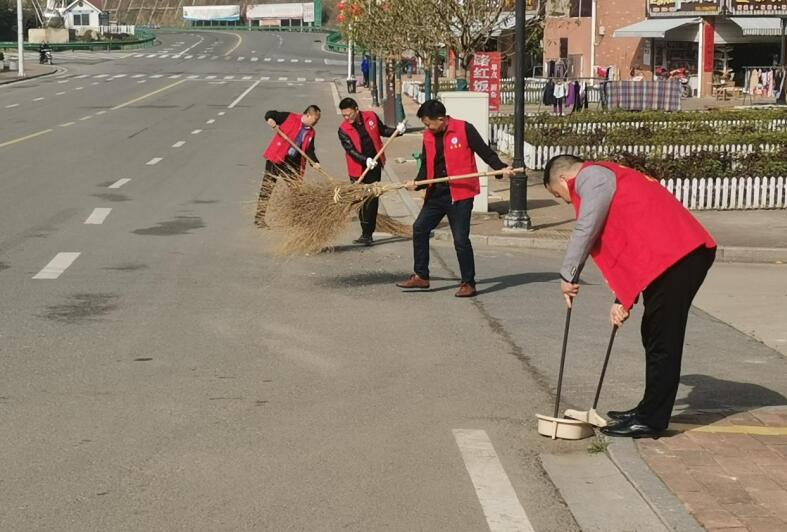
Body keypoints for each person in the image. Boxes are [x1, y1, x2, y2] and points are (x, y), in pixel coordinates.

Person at [543, 154, 717, 438]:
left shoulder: (592, 177)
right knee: (653, 333)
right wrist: (622, 299)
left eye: (558, 195)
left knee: (663, 339)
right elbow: (629, 239)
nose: (565, 201)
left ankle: (652, 420)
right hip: (669, 258)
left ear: (563, 179)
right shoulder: (607, 176)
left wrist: (568, 274)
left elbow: (588, 227)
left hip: (680, 255)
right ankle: (647, 409)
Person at [396, 100, 514, 298]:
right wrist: (417, 183)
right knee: (420, 228)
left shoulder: (464, 129)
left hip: (460, 194)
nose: (427, 128)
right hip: (436, 193)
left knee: (460, 239)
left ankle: (468, 282)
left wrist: (500, 168)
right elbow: (426, 166)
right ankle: (421, 276)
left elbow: (484, 151)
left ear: (441, 119)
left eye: (429, 124)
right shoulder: (428, 136)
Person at [338, 97, 405, 245]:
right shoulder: (343, 130)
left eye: (348, 114)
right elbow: (350, 150)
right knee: (361, 200)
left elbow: (383, 130)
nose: (346, 117)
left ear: (356, 110)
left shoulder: (371, 116)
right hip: (358, 169)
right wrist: (365, 160)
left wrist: (398, 131)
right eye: (344, 115)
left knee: (373, 199)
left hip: (375, 165)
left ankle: (368, 234)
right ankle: (364, 231)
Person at [255, 105, 321, 228]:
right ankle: (259, 218)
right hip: (277, 157)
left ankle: (295, 219)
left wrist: (315, 162)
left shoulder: (311, 132)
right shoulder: (290, 117)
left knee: (296, 190)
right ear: (307, 115)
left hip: (292, 163)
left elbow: (310, 150)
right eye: (315, 120)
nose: (316, 123)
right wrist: (270, 119)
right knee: (267, 187)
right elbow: (271, 113)